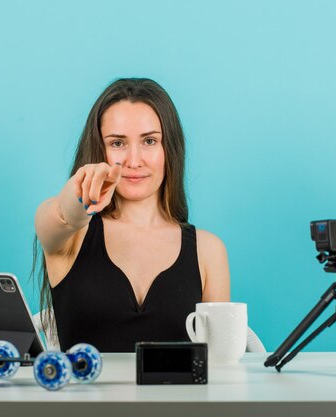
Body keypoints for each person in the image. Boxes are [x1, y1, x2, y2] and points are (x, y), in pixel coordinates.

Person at [34, 78, 230, 352]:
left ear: (169, 149)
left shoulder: (208, 251)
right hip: (84, 396)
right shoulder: (72, 236)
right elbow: (58, 216)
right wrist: (81, 198)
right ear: (98, 149)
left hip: (178, 397)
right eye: (117, 143)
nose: (134, 160)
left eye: (149, 141)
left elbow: (220, 364)